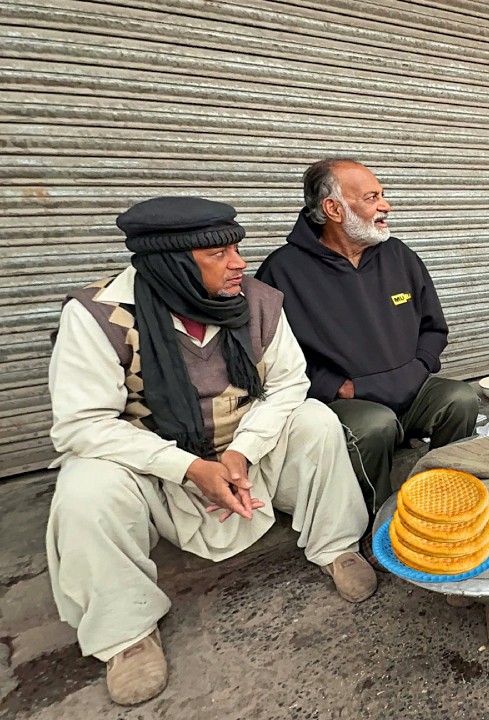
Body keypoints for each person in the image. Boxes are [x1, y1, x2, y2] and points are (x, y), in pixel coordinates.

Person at [46, 197, 374, 706]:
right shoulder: (98, 316)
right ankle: (127, 635)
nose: (240, 263)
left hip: (244, 456)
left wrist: (240, 453)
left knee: (315, 421)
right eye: (219, 253)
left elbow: (289, 383)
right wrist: (189, 467)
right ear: (172, 264)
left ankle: (336, 546)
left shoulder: (259, 301)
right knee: (84, 486)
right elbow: (82, 424)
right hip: (158, 468)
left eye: (236, 248)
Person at [256, 159, 479, 515]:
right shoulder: (283, 272)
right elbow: (270, 359)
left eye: (382, 195)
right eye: (372, 197)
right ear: (334, 209)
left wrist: (419, 367)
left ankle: (443, 492)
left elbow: (434, 327)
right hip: (347, 401)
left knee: (461, 398)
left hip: (410, 387)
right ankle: (378, 517)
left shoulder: (398, 255)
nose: (385, 206)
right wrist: (336, 387)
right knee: (374, 424)